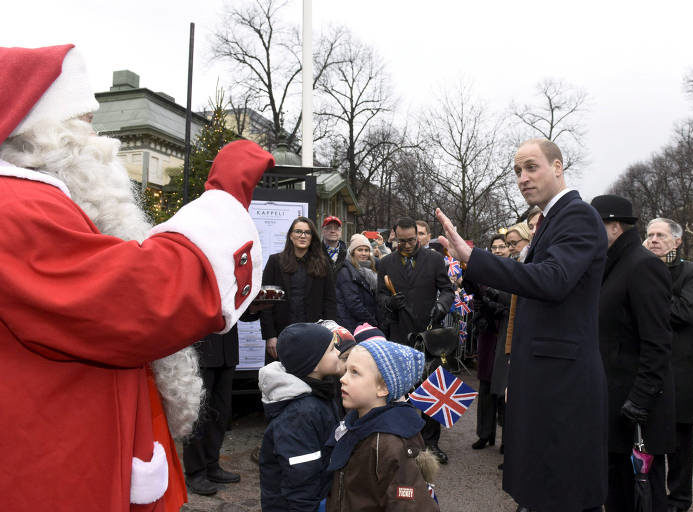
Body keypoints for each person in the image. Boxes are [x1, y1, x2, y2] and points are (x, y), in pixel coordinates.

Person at [0, 44, 274, 512]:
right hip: (51, 466)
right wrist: (226, 195)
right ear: (42, 132)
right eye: (82, 122)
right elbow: (139, 299)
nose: (98, 139)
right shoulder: (15, 209)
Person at [436, 138, 608, 511]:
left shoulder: (576, 215)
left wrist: (473, 258)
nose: (523, 178)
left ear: (558, 167)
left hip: (562, 384)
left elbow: (552, 280)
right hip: (545, 376)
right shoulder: (552, 220)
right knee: (546, 489)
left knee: (563, 491)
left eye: (532, 167)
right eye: (517, 171)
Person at [590, 195, 675, 512]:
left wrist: (640, 399)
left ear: (613, 227)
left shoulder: (643, 266)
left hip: (637, 412)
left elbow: (657, 342)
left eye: (594, 226)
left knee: (644, 498)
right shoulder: (613, 266)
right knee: (619, 495)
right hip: (615, 407)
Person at [325, 340, 439, 512]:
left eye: (354, 372)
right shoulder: (354, 423)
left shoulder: (388, 442)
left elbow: (409, 503)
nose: (343, 379)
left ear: (383, 387)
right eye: (346, 370)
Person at [376, 216, 454, 464]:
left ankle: (431, 443)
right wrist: (389, 303)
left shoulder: (434, 259)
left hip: (430, 333)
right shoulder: (386, 263)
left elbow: (447, 290)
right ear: (394, 236)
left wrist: (442, 306)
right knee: (401, 391)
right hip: (399, 334)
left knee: (433, 390)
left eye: (411, 240)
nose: (408, 245)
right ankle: (404, 441)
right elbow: (378, 296)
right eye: (402, 241)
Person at [258, 323, 342, 511]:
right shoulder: (300, 415)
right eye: (331, 349)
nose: (337, 353)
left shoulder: (319, 392)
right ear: (313, 363)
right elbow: (301, 478)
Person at [645, 218, 693, 512]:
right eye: (649, 235)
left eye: (660, 235)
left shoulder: (689, 272)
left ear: (676, 241)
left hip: (682, 372)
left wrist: (648, 301)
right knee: (650, 442)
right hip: (649, 372)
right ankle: (652, 497)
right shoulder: (641, 270)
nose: (653, 240)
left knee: (681, 445)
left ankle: (679, 499)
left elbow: (684, 312)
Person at [260, 217, 337, 360]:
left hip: (314, 336)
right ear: (291, 235)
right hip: (281, 336)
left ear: (312, 237)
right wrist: (270, 336)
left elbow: (330, 302)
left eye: (307, 232)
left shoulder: (323, 264)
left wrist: (329, 334)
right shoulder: (275, 262)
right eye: (298, 231)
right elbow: (265, 304)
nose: (303, 235)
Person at [182, 326, 246, 496]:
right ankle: (195, 472)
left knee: (220, 412)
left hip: (227, 351)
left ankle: (211, 464)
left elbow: (243, 314)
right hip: (201, 349)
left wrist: (254, 306)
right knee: (197, 414)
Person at [336, 233, 379, 332]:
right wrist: (373, 322)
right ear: (352, 252)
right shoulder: (346, 271)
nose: (364, 253)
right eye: (360, 250)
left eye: (366, 250)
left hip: (363, 324)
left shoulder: (370, 270)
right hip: (353, 326)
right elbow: (354, 304)